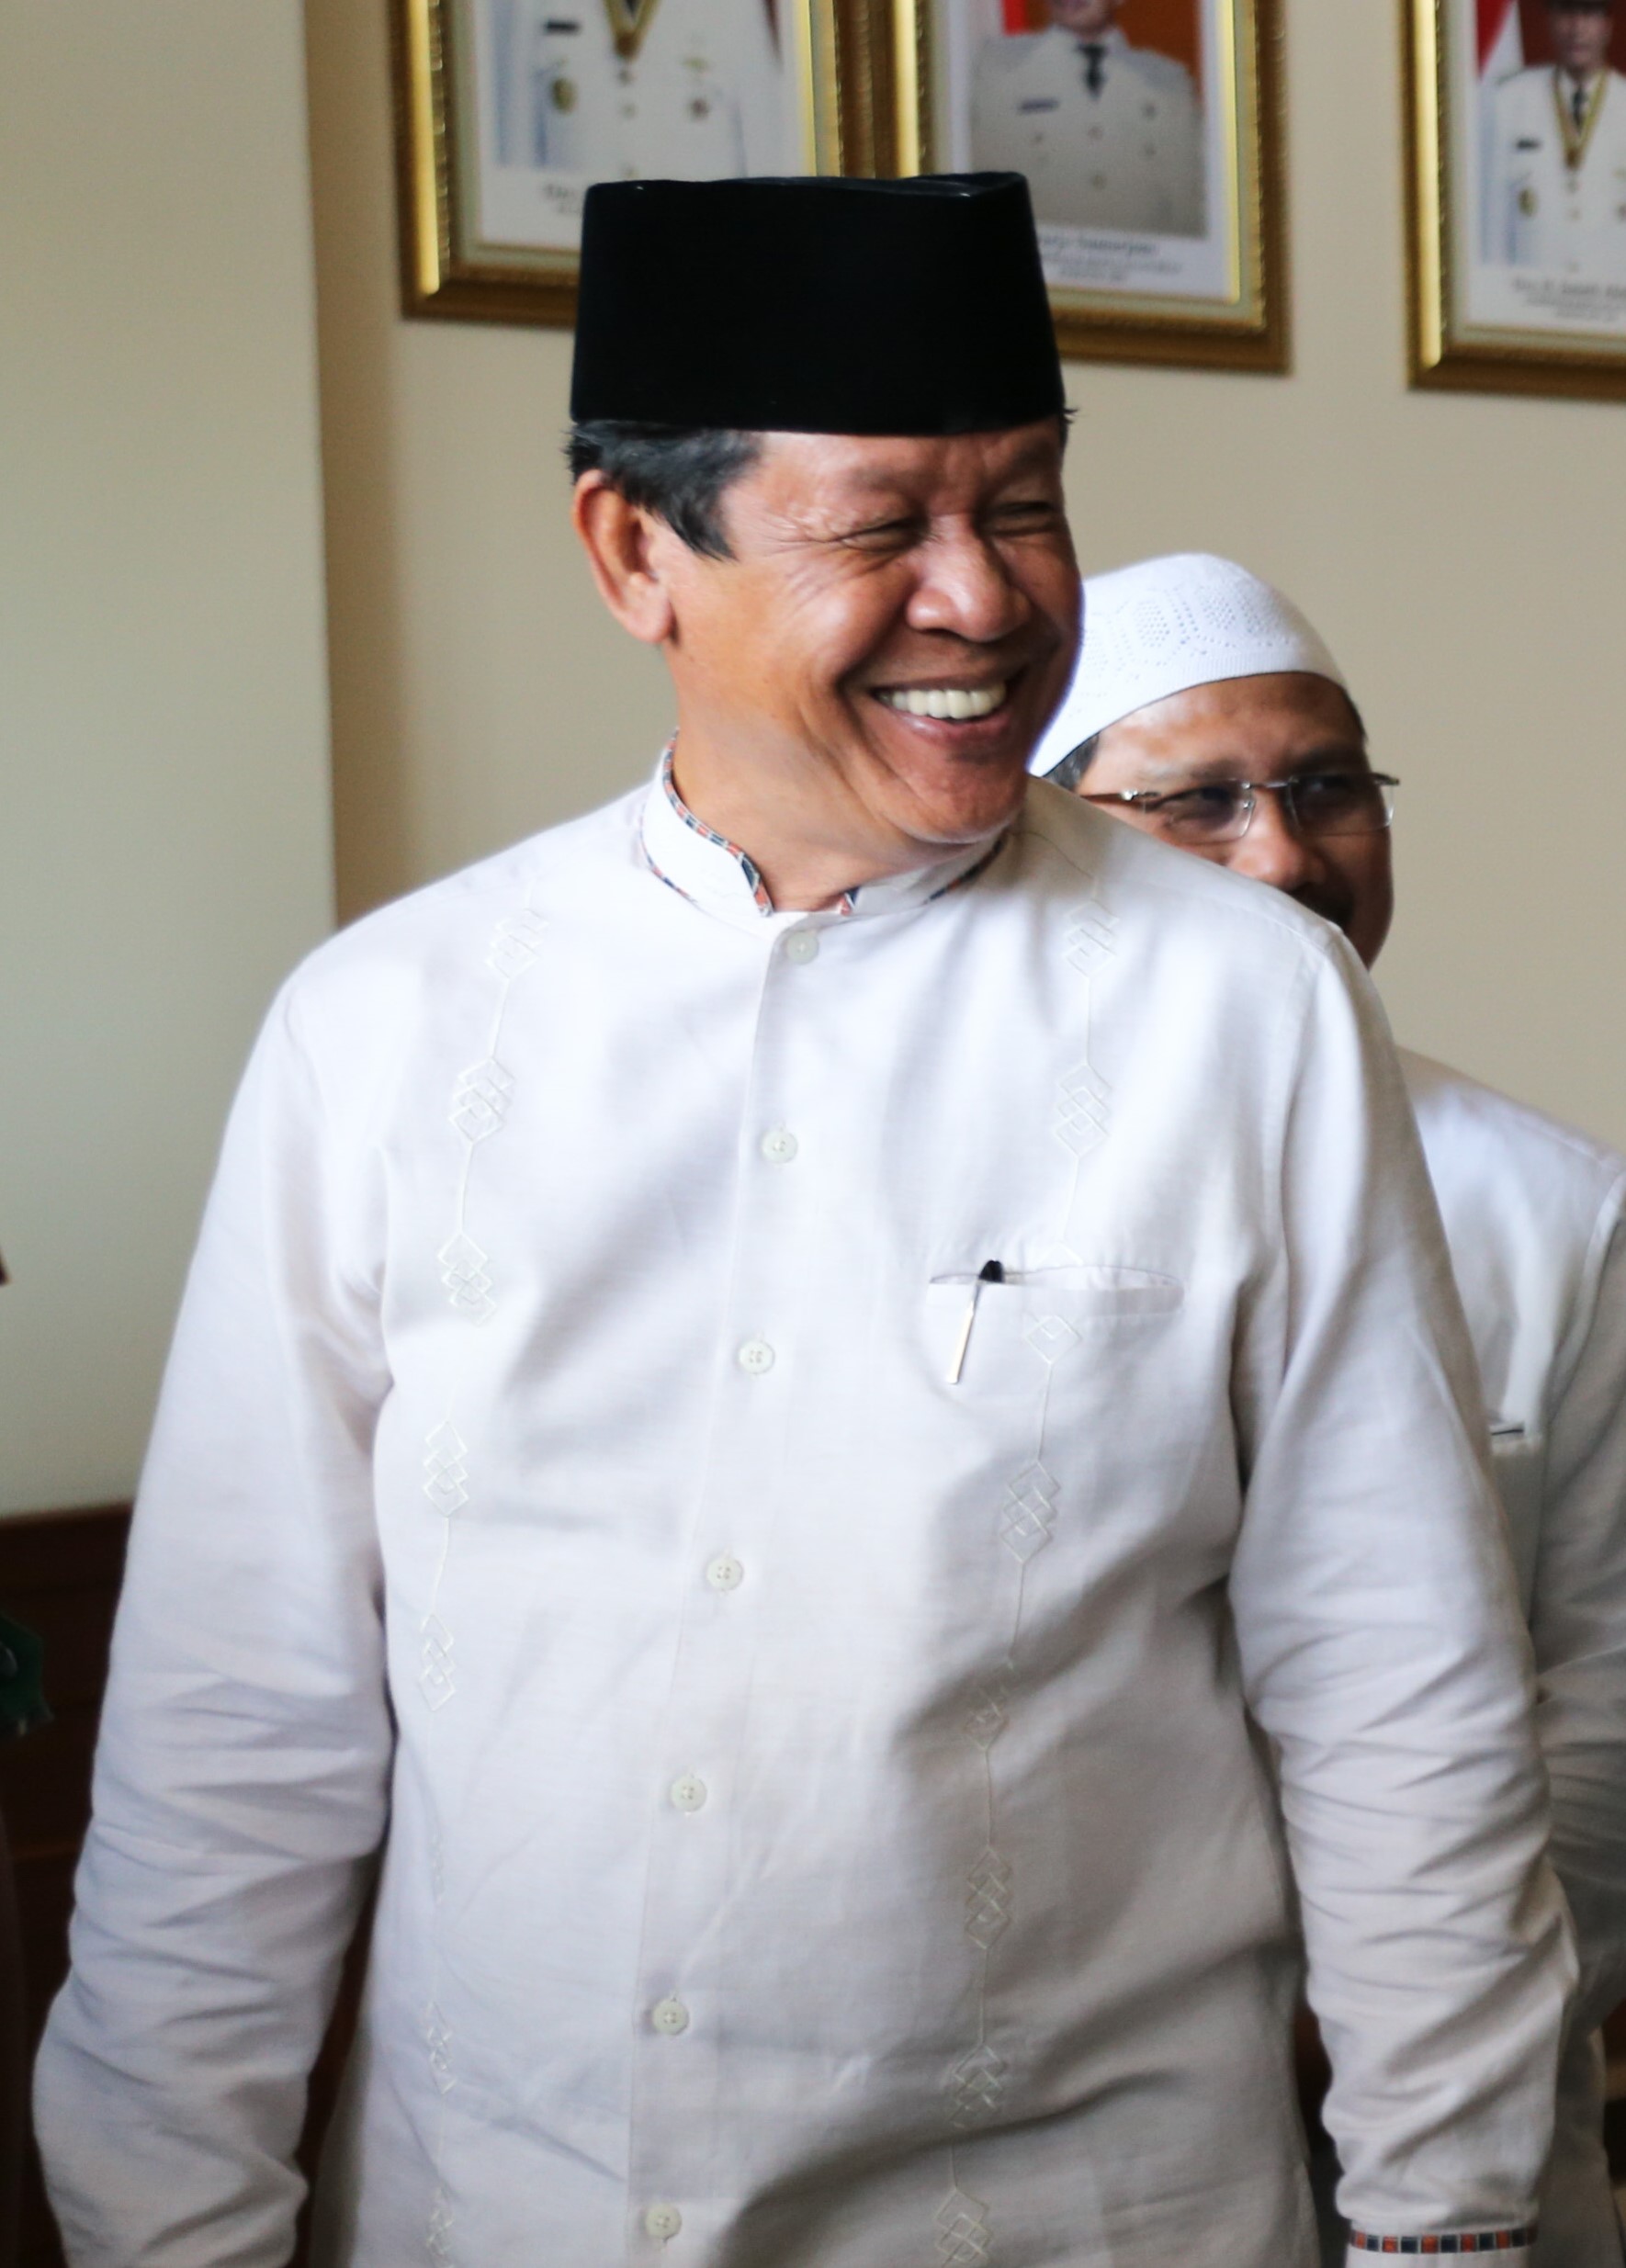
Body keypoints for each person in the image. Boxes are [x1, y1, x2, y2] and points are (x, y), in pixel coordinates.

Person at [36, 178, 1571, 2267]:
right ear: (631, 553)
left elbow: (1400, 1693)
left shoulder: (1246, 1007)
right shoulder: (388, 1028)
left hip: (1085, 2220)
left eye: (1022, 506)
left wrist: (1442, 2230)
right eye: (878, 527)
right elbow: (237, 1733)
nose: (983, 598)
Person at [1035, 548, 1626, 2267]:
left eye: (1325, 790)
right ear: (1049, 834)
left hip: (1451, 2106)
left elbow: (1608, 1702)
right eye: (1198, 800)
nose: (1285, 854)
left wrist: (1389, 2023)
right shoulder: (949, 1188)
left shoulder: (1555, 1206)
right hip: (1052, 2106)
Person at [490, 0, 791, 185]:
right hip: (573, 244)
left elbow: (765, 150)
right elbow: (515, 146)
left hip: (697, 247)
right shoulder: (526, 5)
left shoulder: (736, 6)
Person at [972, 0, 1203, 236]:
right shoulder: (1000, 70)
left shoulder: (1166, 81)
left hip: (1142, 251)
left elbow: (1188, 198)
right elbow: (987, 184)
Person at [1485, 0, 1626, 276]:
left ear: (1607, 26)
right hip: (1531, 293)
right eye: (1566, 13)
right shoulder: (1510, 102)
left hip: (1611, 295)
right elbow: (1493, 225)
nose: (1577, 28)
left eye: (1589, 14)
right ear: (1550, 22)